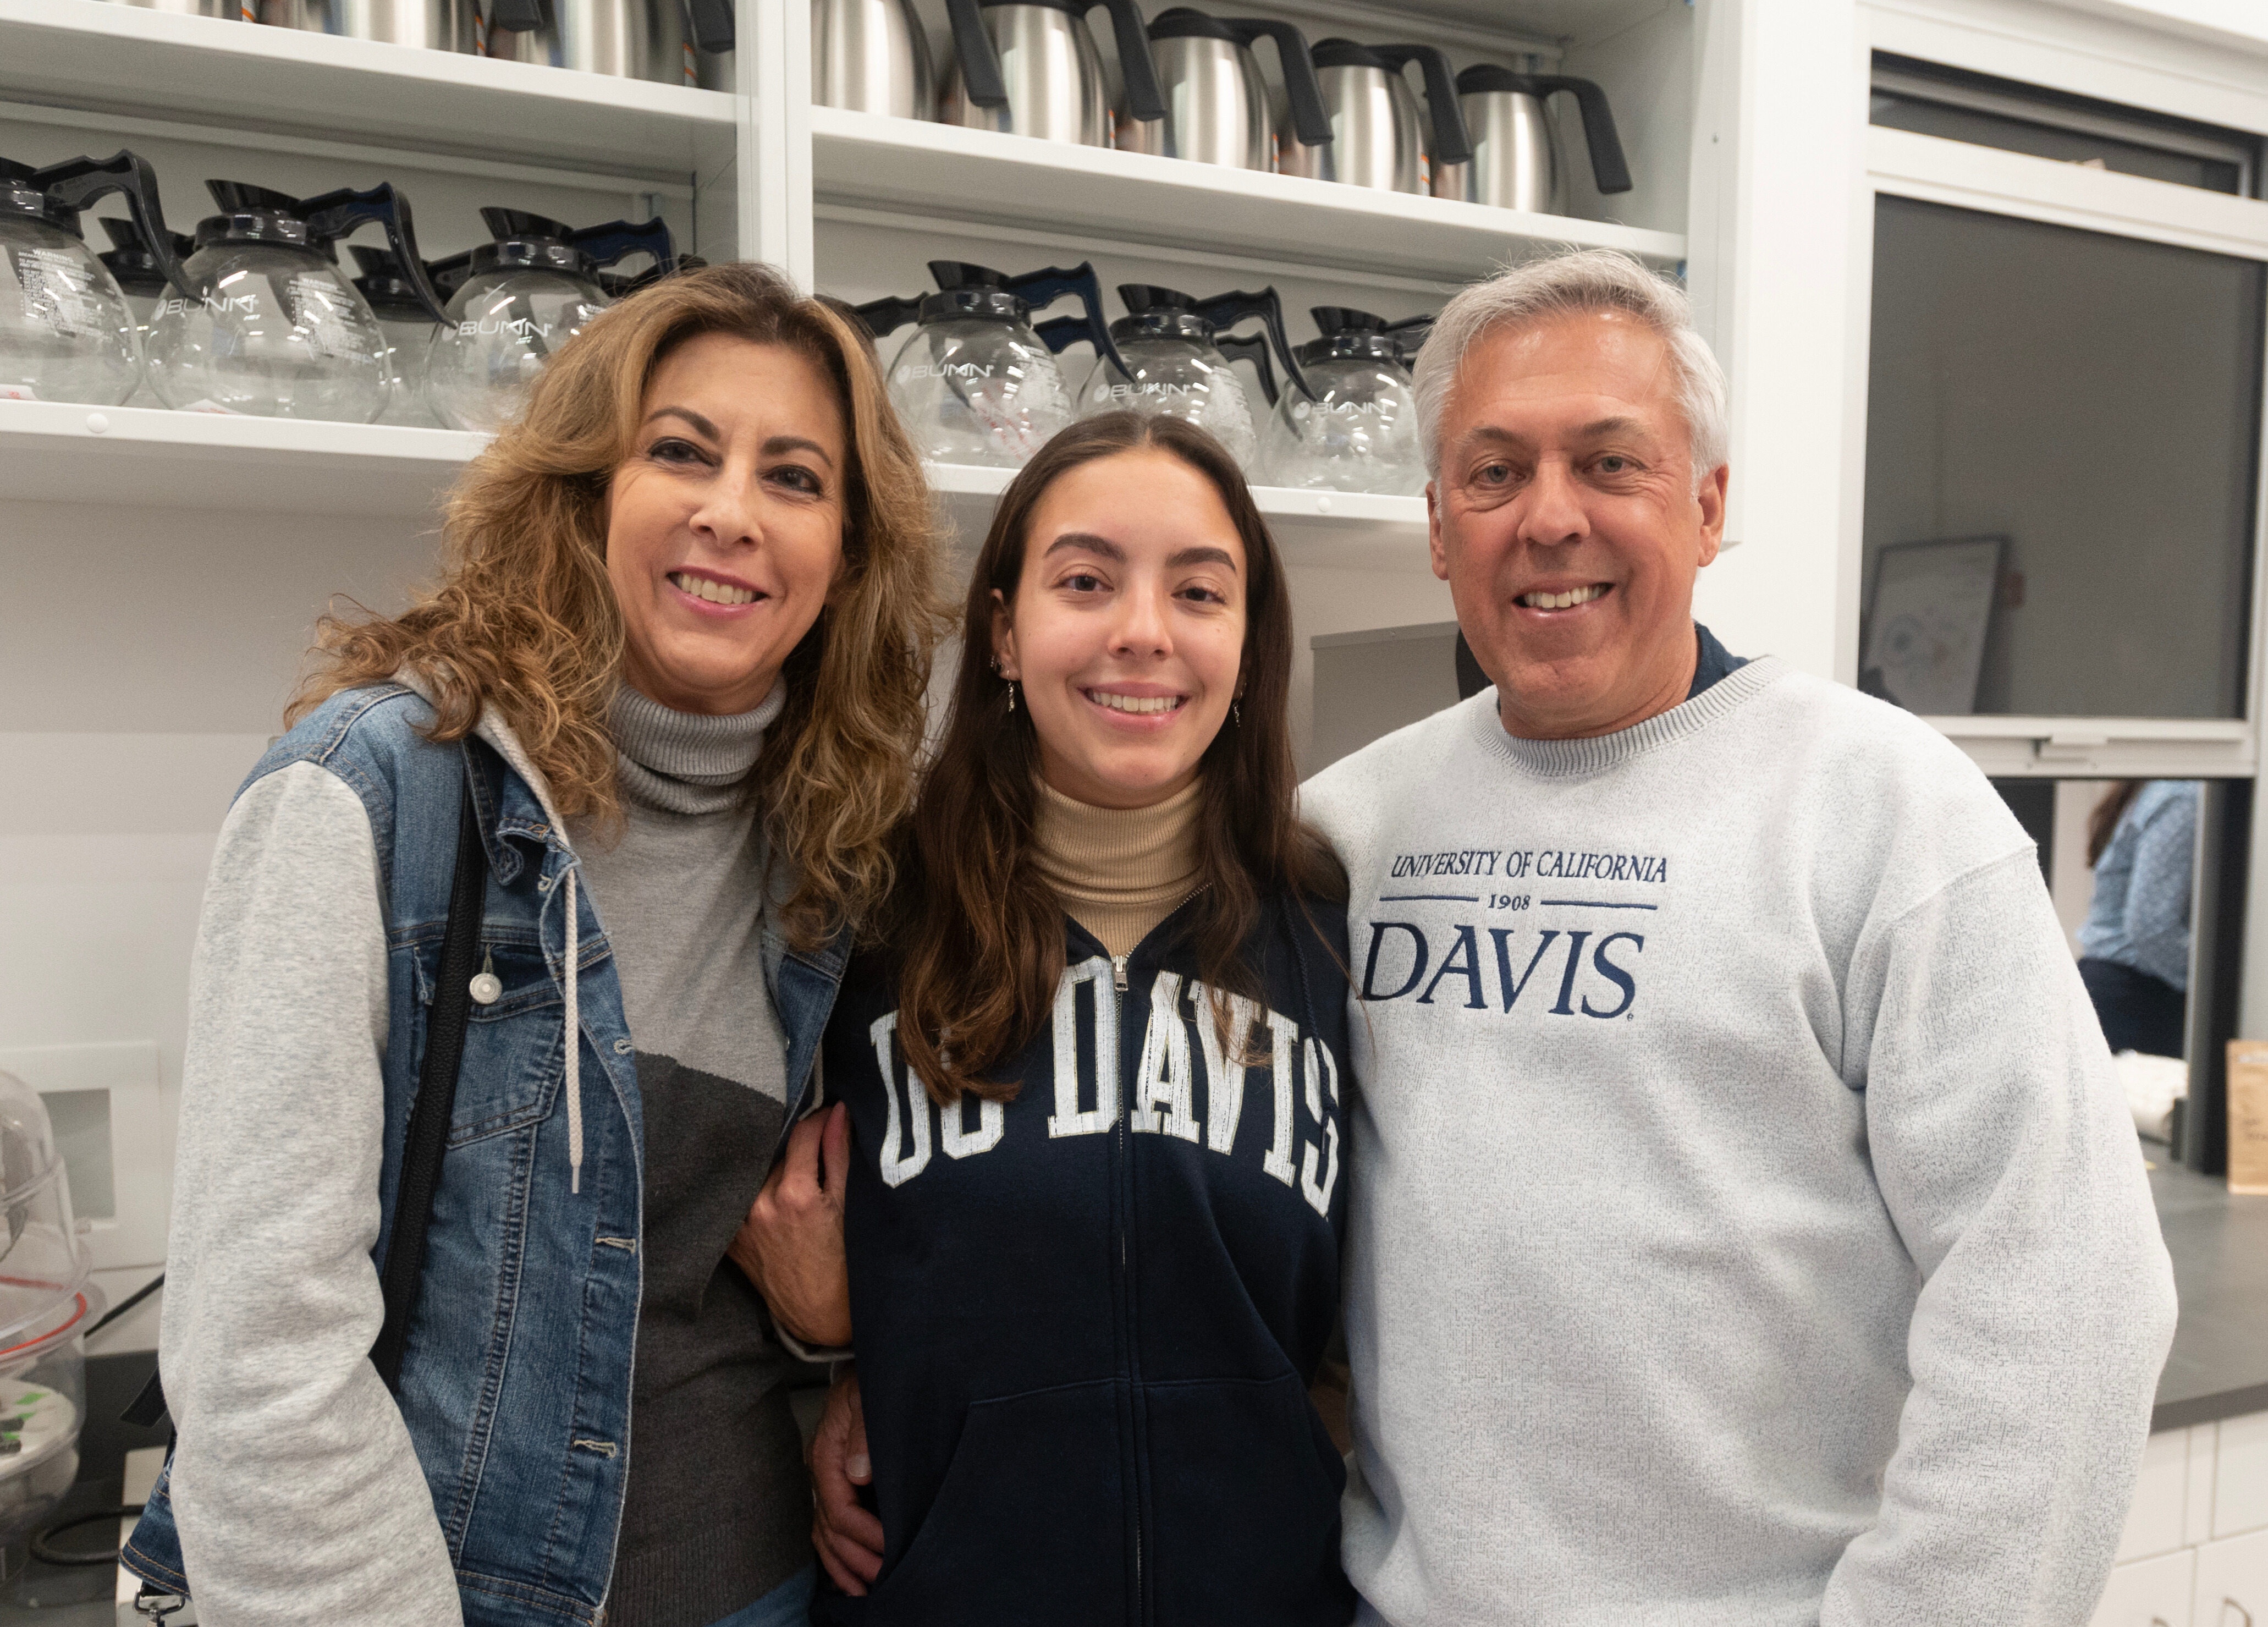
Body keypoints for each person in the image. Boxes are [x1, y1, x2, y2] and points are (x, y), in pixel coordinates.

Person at [1298, 249, 2176, 1625]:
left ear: (1706, 507)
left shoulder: (1888, 815)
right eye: (1492, 472)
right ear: (1434, 521)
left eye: (1610, 463)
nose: (1549, 518)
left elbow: (2066, 1294)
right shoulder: (1345, 827)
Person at [122, 262, 941, 1627]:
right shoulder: (376, 790)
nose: (732, 513)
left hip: (764, 1584)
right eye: (681, 451)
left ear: (846, 551)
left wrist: (837, 1328)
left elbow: (780, 1255)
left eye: (795, 478)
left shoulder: (839, 850)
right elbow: (260, 1358)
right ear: (584, 491)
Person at [806, 412, 1357, 1625]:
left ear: (1250, 641)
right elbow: (724, 1250)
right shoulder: (862, 926)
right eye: (1086, 581)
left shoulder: (1335, 935)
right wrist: (826, 1371)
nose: (1143, 632)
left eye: (1199, 592)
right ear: (1005, 629)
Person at [2079, 779, 2200, 1058]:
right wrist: (2214, 985)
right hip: (2136, 998)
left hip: (2119, 989)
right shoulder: (2183, 796)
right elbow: (2153, 927)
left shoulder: (2159, 789)